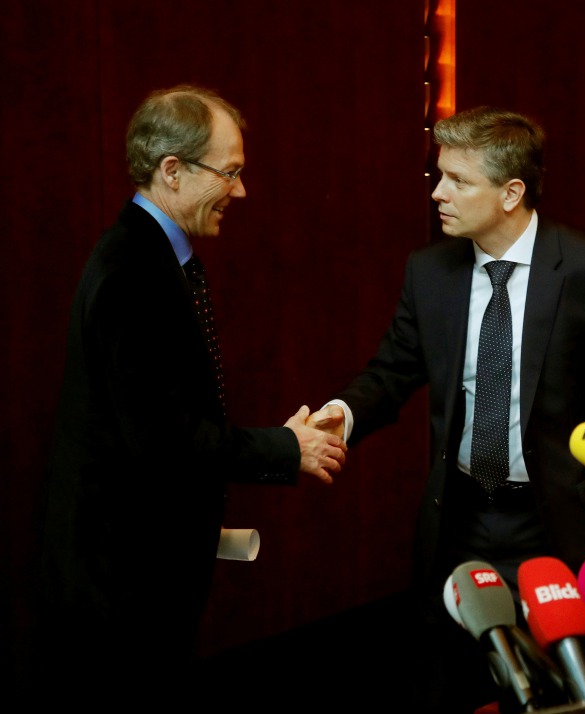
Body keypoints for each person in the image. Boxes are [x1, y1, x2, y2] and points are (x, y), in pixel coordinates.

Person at [306, 106, 585, 711]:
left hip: (563, 524)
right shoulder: (430, 272)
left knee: (564, 694)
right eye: (439, 175)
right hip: (459, 522)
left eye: (458, 180)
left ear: (511, 193)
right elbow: (394, 368)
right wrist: (342, 414)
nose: (438, 193)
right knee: (450, 684)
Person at [32, 85, 348, 695]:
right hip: (121, 581)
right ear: (171, 170)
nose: (241, 191)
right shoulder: (132, 273)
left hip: (138, 569)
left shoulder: (156, 256)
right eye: (229, 173)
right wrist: (288, 448)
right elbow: (163, 439)